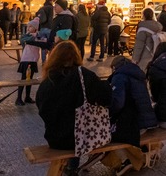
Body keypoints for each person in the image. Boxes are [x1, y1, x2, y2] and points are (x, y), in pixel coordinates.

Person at [36, 41, 112, 175]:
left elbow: (42, 109)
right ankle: (73, 166)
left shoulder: (48, 81)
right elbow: (106, 98)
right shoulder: (86, 76)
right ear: (77, 56)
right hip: (85, 138)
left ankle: (72, 167)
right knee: (77, 126)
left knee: (70, 125)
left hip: (56, 139)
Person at [105, 55, 158, 172]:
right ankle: (141, 153)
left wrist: (107, 113)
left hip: (136, 125)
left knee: (105, 133)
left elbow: (117, 104)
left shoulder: (120, 77)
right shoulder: (138, 75)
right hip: (148, 122)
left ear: (114, 67)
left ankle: (125, 160)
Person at [16, 19, 46, 106]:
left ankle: (27, 97)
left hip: (33, 60)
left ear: (36, 28)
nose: (28, 28)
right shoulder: (27, 35)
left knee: (30, 79)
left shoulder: (38, 35)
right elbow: (23, 40)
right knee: (23, 79)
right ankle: (18, 98)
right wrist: (34, 36)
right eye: (28, 26)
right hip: (26, 60)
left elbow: (43, 41)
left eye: (30, 26)